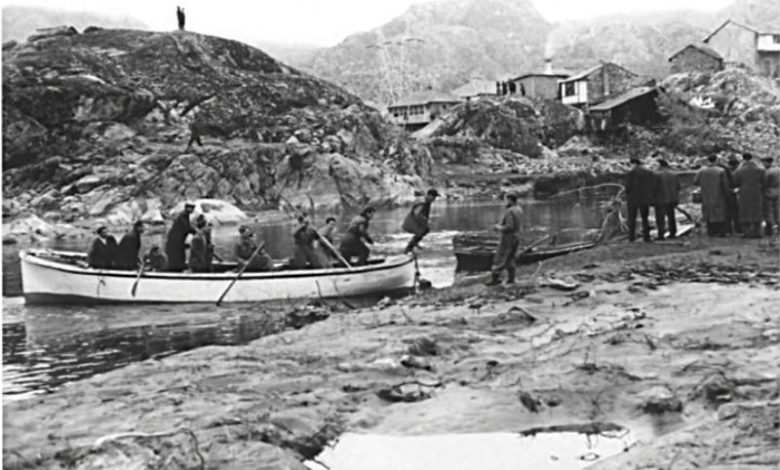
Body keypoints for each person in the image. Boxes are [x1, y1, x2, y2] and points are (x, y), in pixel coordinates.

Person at [486, 192, 524, 285]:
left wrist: (498, 227)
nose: (504, 202)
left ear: (510, 200)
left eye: (505, 200)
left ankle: (495, 279)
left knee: (500, 258)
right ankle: (511, 279)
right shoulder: (519, 209)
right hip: (516, 237)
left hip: (508, 239)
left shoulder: (510, 211)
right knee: (511, 258)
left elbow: (509, 227)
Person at [694, 155, 731, 236]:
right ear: (716, 160)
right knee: (719, 213)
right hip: (719, 194)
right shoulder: (721, 170)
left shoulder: (702, 171)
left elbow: (695, 181)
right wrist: (727, 194)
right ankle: (721, 232)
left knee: (708, 213)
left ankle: (711, 231)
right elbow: (725, 184)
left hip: (706, 195)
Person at [733, 152, 766, 238]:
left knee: (745, 212)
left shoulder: (739, 171)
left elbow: (735, 182)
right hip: (757, 193)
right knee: (757, 211)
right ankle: (758, 232)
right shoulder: (760, 170)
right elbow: (764, 182)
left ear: (743, 159)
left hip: (744, 194)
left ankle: (747, 233)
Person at [625, 157, 656, 242]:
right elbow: (653, 186)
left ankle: (631, 237)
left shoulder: (630, 173)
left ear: (633, 163)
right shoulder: (649, 172)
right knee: (645, 218)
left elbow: (627, 187)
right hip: (645, 198)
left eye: (630, 164)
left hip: (632, 199)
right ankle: (646, 237)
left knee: (632, 218)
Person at [402, 188, 440, 253]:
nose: (434, 199)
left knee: (425, 230)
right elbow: (416, 213)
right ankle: (408, 249)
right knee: (423, 231)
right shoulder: (423, 202)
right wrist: (424, 221)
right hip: (412, 221)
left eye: (435, 197)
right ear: (429, 195)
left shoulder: (425, 201)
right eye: (434, 197)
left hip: (415, 220)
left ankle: (414, 243)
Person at [654, 159, 680, 240]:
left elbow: (653, 188)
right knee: (671, 216)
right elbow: (678, 187)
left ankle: (661, 234)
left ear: (660, 165)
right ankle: (673, 233)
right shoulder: (674, 174)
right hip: (672, 198)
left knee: (660, 218)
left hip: (660, 199)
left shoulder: (656, 174)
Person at [165, 202, 196, 271]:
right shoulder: (182, 215)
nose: (193, 210)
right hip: (175, 239)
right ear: (188, 208)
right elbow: (186, 227)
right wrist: (195, 231)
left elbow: (188, 227)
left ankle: (178, 267)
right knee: (176, 255)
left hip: (179, 239)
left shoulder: (185, 215)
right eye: (192, 208)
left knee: (179, 254)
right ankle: (176, 268)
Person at [721, 156, 741, 235]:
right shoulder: (734, 172)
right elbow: (734, 183)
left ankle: (728, 229)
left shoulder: (724, 170)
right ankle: (737, 228)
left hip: (725, 194)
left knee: (727, 213)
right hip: (732, 194)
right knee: (735, 212)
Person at [761, 156, 779, 236]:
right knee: (777, 211)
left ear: (767, 162)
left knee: (768, 211)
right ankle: (778, 227)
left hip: (768, 192)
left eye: (763, 162)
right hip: (778, 191)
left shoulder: (767, 172)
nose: (763, 164)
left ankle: (770, 229)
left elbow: (764, 183)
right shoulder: (778, 169)